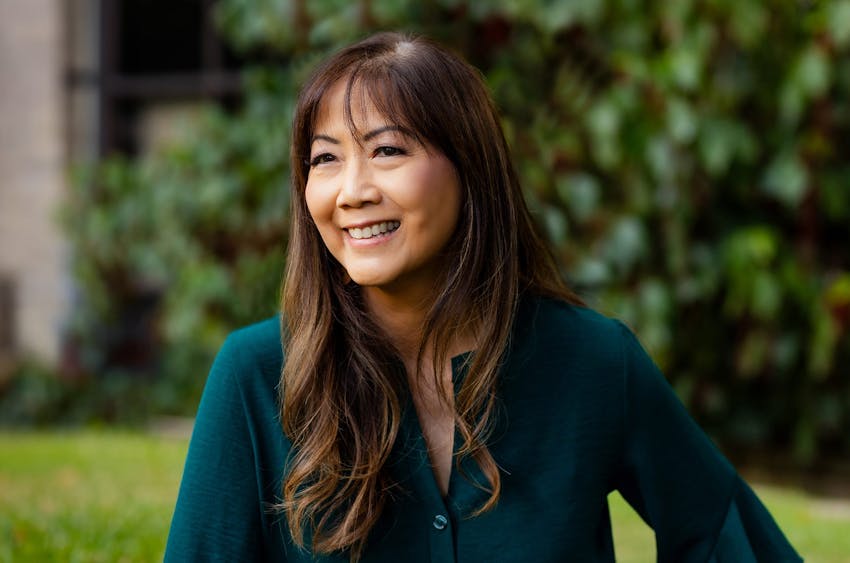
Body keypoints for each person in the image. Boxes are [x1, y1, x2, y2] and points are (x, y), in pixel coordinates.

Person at [165, 32, 801, 562]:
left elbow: (722, 534)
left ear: (470, 168)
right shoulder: (256, 375)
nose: (351, 190)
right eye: (324, 159)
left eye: (387, 150)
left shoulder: (592, 362)